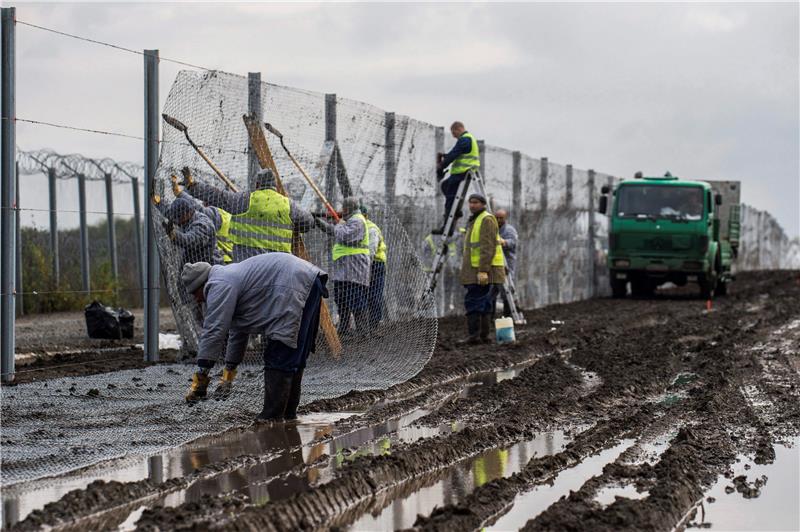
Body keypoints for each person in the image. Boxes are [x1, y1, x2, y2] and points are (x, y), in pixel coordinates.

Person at [180, 253, 328, 422]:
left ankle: (271, 418)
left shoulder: (218, 284)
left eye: (194, 293)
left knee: (281, 354)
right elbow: (238, 332)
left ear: (200, 285)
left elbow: (214, 330)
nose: (197, 299)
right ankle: (288, 416)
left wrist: (201, 375)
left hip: (292, 285)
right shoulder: (229, 278)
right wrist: (228, 375)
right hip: (306, 280)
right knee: (294, 355)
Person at [181, 167, 314, 262]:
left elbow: (217, 196)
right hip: (279, 267)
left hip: (247, 266)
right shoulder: (288, 205)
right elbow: (308, 223)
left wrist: (193, 187)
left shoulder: (245, 200)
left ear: (257, 184)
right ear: (276, 186)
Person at [314, 197, 371, 336]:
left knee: (356, 299)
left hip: (354, 267)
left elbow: (343, 235)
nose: (342, 210)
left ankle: (363, 332)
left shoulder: (357, 220)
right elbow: (333, 231)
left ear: (349, 208)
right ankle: (344, 328)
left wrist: (338, 223)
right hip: (343, 268)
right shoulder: (349, 221)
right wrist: (317, 221)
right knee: (341, 299)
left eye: (344, 208)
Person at [460, 193, 505, 344]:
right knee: (485, 302)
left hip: (481, 270)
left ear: (483, 204)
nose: (472, 205)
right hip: (476, 269)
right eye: (470, 202)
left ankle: (474, 336)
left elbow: (487, 247)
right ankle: (484, 336)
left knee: (473, 300)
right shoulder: (476, 219)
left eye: (476, 202)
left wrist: (483, 270)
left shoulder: (486, 219)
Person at [432, 121, 480, 234]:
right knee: (445, 186)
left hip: (462, 172)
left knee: (450, 199)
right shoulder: (468, 139)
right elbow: (455, 153)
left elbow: (454, 154)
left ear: (458, 129)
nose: (454, 136)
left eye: (454, 133)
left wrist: (441, 166)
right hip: (465, 172)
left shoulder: (465, 139)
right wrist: (445, 157)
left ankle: (447, 228)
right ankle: (456, 212)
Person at [153, 194, 218, 266]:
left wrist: (174, 234)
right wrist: (159, 203)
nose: (176, 221)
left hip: (207, 268)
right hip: (193, 264)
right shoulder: (186, 218)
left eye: (178, 218)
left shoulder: (202, 225)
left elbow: (189, 240)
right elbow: (170, 213)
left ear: (187, 214)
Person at [362, 206, 387, 328]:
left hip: (375, 264)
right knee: (366, 295)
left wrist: (367, 268)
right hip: (366, 264)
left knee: (374, 294)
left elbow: (371, 250)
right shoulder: (359, 227)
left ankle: (374, 324)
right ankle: (368, 324)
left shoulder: (371, 229)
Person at [495, 209, 518, 317]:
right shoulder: (493, 229)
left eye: (501, 218)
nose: (499, 220)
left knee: (506, 289)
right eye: (497, 218)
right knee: (492, 290)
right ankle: (490, 316)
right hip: (495, 262)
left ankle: (508, 314)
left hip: (507, 262)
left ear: (505, 218)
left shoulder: (509, 230)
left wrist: (504, 242)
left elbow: (513, 243)